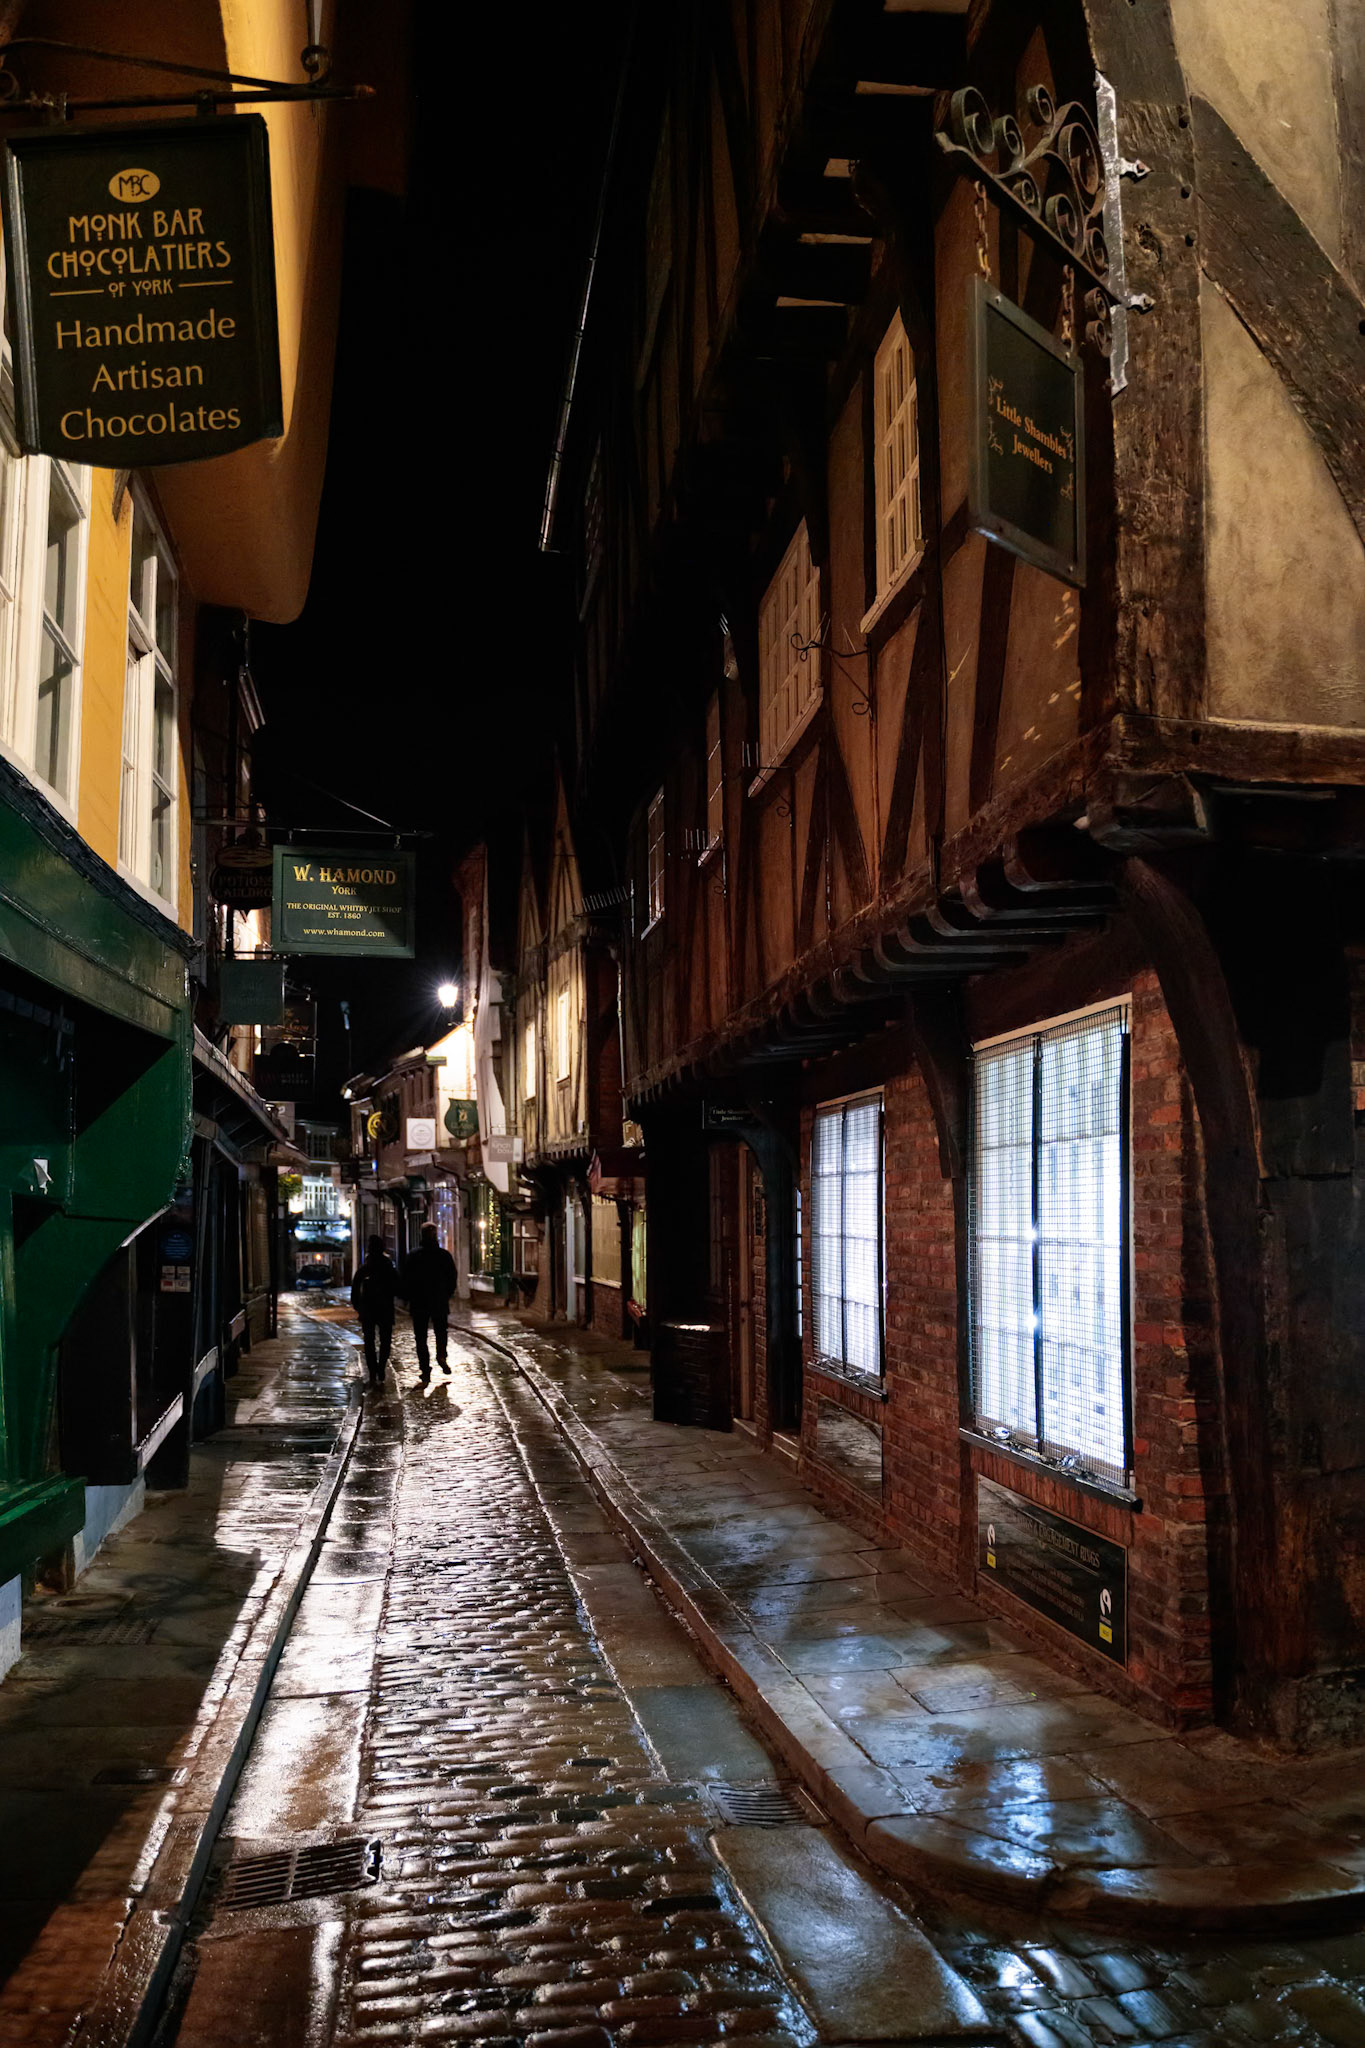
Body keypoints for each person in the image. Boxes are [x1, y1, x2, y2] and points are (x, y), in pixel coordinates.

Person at [399, 1222, 458, 1384]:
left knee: (421, 1337)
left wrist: (406, 1297)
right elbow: (452, 1276)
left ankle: (425, 1369)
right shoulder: (443, 1255)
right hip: (438, 1300)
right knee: (441, 1331)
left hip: (419, 1302)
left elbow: (405, 1278)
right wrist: (448, 1294)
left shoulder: (414, 1255)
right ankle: (441, 1356)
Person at [350, 1235, 398, 1387]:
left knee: (369, 1342)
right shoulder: (388, 1267)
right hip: (385, 1309)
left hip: (369, 1310)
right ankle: (381, 1367)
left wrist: (358, 1306)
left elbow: (355, 1289)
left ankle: (373, 1370)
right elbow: (397, 1286)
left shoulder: (365, 1267)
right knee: (385, 1342)